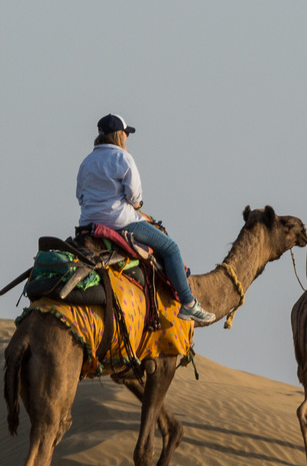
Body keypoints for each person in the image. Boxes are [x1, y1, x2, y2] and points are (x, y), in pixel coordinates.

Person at [75, 113, 215, 324]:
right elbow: (134, 196)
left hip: (88, 224)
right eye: (125, 133)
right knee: (171, 248)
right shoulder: (123, 158)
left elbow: (80, 196)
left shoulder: (86, 161)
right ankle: (188, 304)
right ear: (119, 136)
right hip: (121, 224)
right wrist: (138, 205)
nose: (127, 137)